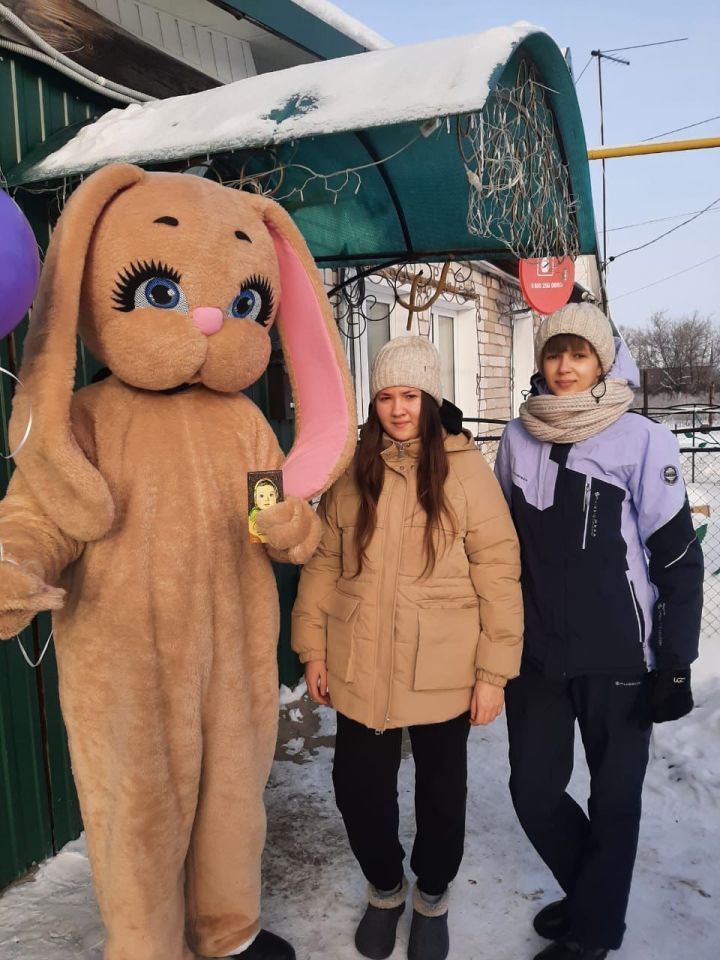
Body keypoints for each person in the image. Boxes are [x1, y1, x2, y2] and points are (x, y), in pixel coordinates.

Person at [291, 335, 523, 960]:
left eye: (411, 396)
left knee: (441, 795)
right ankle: (387, 886)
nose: (398, 409)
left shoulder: (464, 469)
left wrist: (493, 674)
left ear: (431, 398)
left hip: (442, 665)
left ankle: (433, 895)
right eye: (387, 396)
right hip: (359, 661)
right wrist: (313, 650)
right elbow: (322, 564)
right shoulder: (353, 470)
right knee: (356, 789)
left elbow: (498, 570)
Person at [494, 303, 703, 960]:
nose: (565, 365)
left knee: (614, 803)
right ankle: (592, 896)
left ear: (602, 362)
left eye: (579, 353)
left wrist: (675, 660)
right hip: (537, 656)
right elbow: (499, 548)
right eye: (555, 352)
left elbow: (677, 561)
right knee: (532, 790)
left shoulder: (641, 440)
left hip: (621, 657)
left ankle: (592, 934)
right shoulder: (516, 436)